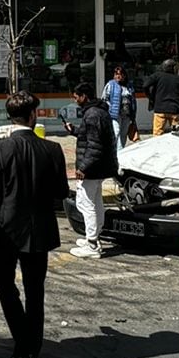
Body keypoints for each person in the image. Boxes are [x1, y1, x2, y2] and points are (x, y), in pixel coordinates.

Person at [0, 91, 70, 358]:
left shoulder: (0, 149)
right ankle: (31, 350)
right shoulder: (52, 149)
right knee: (35, 291)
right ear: (32, 117)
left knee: (6, 287)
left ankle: (24, 346)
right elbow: (61, 193)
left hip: (4, 229)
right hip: (38, 229)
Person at [64, 84, 117, 259]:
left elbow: (95, 146)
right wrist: (76, 132)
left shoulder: (92, 114)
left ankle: (92, 244)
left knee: (86, 204)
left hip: (93, 168)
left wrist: (83, 167)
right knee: (95, 202)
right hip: (101, 166)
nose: (75, 100)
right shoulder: (99, 112)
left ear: (84, 96)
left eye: (76, 97)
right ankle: (93, 237)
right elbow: (92, 137)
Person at [146, 59, 179, 135]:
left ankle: (158, 146)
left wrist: (151, 97)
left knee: (157, 134)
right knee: (176, 134)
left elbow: (145, 85)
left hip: (160, 109)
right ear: (173, 68)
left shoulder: (157, 75)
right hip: (175, 109)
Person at [101, 64, 137, 149]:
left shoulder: (129, 86)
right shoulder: (111, 84)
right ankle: (115, 153)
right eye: (116, 74)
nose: (117, 76)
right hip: (115, 114)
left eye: (119, 74)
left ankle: (120, 152)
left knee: (123, 134)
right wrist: (110, 108)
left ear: (124, 75)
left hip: (127, 114)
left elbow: (133, 101)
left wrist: (133, 114)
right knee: (116, 133)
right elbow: (104, 98)